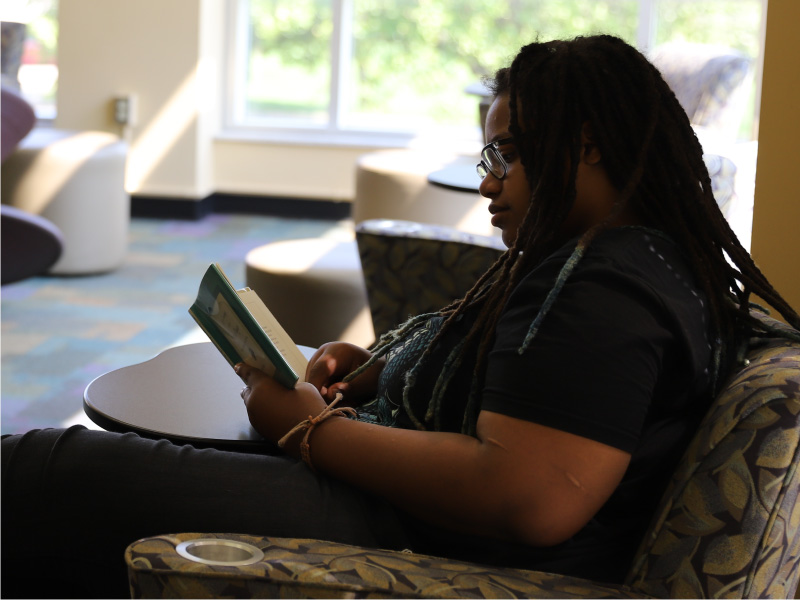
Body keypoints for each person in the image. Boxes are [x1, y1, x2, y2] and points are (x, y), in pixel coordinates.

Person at [3, 35, 799, 598]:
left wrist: (310, 430)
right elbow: (538, 401)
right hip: (404, 509)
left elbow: (530, 495)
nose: (489, 183)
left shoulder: (607, 283)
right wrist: (382, 366)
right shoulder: (619, 260)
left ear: (588, 145)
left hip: (412, 538)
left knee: (42, 470)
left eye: (506, 155)